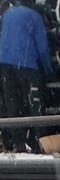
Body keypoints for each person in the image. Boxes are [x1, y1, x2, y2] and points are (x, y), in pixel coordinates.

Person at [0, 0, 51, 151]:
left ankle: (17, 142)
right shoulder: (35, 16)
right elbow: (42, 47)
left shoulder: (8, 14)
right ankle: (39, 142)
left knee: (12, 102)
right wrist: (49, 70)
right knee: (35, 103)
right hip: (26, 63)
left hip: (4, 64)